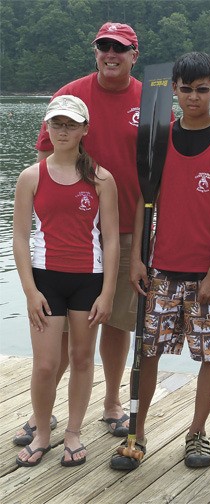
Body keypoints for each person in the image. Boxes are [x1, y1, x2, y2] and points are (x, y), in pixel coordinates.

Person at [110, 51, 210, 471]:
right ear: (173, 89)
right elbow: (143, 201)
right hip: (162, 270)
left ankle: (197, 433)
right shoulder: (159, 136)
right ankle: (138, 431)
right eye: (185, 89)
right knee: (147, 351)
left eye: (202, 89)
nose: (193, 97)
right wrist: (136, 258)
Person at [15, 22, 144, 445]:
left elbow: (164, 162)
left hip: (125, 228)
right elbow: (43, 165)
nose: (111, 53)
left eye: (119, 48)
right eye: (103, 46)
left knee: (117, 321)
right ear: (95, 52)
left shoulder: (150, 98)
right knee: (64, 332)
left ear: (133, 55)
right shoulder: (68, 95)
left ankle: (110, 404)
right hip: (70, 239)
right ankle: (44, 414)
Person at [13, 95, 119, 467]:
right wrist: (29, 291)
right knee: (45, 365)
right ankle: (42, 431)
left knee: (81, 358)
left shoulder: (102, 179)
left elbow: (111, 239)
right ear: (47, 127)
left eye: (71, 124)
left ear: (84, 130)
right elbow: (21, 238)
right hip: (45, 281)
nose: (62, 131)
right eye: (56, 124)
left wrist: (107, 293)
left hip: (88, 280)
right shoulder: (31, 176)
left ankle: (73, 431)